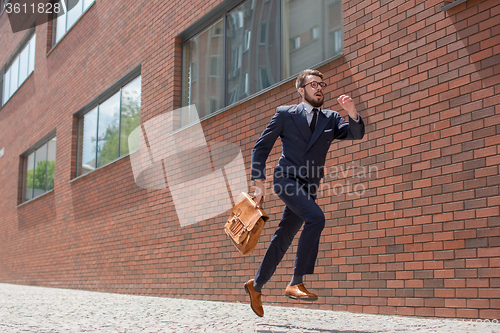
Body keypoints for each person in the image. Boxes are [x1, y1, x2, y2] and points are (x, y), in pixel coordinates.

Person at [244, 69, 365, 317]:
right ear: (301, 90)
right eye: (313, 84)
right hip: (285, 178)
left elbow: (356, 133)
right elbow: (261, 148)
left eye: (322, 84)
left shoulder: (330, 118)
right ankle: (296, 282)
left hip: (309, 186)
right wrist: (259, 184)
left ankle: (255, 286)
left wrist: (352, 112)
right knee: (316, 218)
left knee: (283, 237)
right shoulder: (285, 114)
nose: (319, 88)